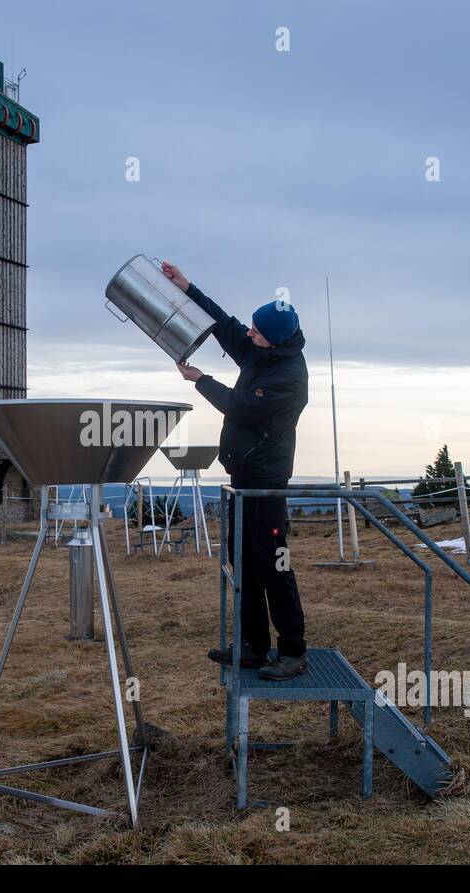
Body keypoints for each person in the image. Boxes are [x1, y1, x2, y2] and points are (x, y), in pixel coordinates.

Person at [160, 260, 309, 681]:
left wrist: (200, 380)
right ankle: (254, 647)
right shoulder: (264, 350)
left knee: (273, 564)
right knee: (241, 561)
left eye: (256, 331)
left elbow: (240, 408)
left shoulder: (288, 375)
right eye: (253, 329)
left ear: (273, 340)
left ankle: (294, 651)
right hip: (243, 479)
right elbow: (225, 324)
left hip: (267, 485)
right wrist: (187, 287)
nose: (249, 334)